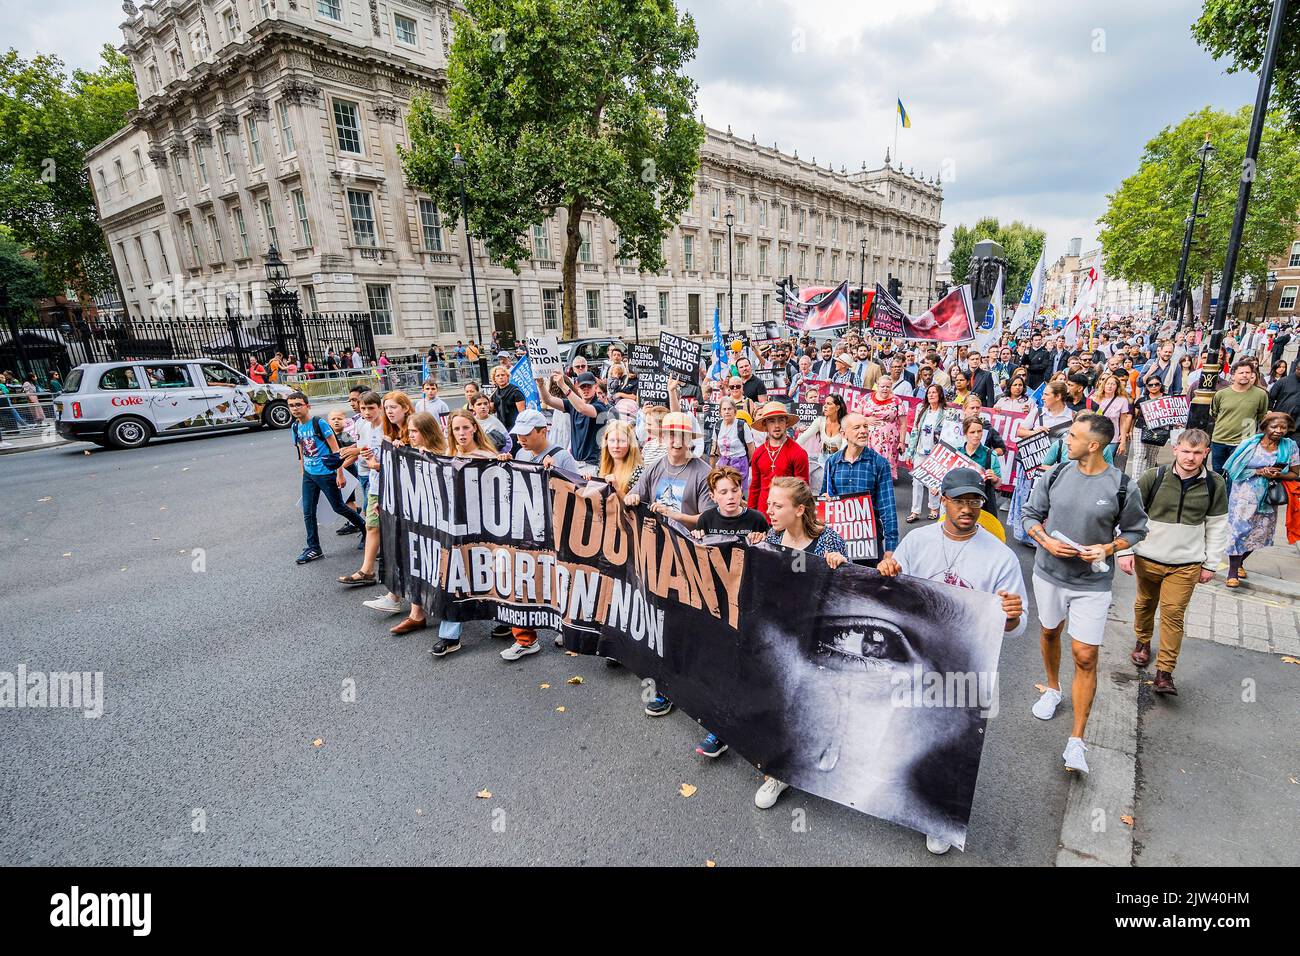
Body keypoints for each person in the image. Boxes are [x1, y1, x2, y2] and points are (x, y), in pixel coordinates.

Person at [877, 466, 1027, 854]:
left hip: (966, 662)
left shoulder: (1001, 557)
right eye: (959, 500)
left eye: (974, 501)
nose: (967, 508)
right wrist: (888, 571)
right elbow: (893, 595)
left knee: (952, 742)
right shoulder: (917, 540)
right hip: (916, 655)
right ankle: (900, 794)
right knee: (908, 725)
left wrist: (1012, 615)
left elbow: (1017, 626)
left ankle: (938, 817)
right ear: (942, 500)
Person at [1021, 412, 1149, 774]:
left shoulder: (1122, 485)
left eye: (1074, 436)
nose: (1067, 440)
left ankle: (1076, 741)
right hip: (1048, 574)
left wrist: (1108, 549)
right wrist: (1045, 540)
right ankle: (1052, 687)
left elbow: (1137, 530)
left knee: (1085, 655)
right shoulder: (1056, 474)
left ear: (1094, 445)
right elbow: (1030, 515)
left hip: (1092, 584)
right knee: (1049, 632)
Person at [748, 476, 849, 810]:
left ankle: (826, 747)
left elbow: (846, 593)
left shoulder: (828, 540)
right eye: (769, 504)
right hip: (782, 636)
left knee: (811, 703)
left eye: (778, 505)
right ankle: (779, 770)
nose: (769, 510)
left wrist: (839, 567)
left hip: (819, 638)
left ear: (800, 509)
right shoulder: (773, 538)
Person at [1118, 429, 1228, 696]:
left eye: (1197, 452)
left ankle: (1164, 673)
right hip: (1148, 558)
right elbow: (1128, 514)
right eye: (1186, 451)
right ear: (1176, 449)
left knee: (1173, 616)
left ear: (1206, 453)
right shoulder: (1153, 477)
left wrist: (1210, 564)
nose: (1191, 458)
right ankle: (1143, 642)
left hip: (1186, 563)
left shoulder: (1215, 484)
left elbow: (1217, 526)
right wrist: (1124, 551)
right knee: (1144, 604)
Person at [625, 412, 714, 716]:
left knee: (685, 623)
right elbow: (632, 496)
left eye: (683, 435)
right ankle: (664, 684)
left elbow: (707, 519)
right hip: (655, 554)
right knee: (659, 619)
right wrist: (633, 499)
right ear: (664, 437)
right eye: (671, 435)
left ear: (691, 440)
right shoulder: (654, 467)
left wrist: (675, 515)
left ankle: (687, 684)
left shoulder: (703, 472)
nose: (677, 441)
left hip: (689, 557)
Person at [494, 409, 581, 660]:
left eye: (527, 434)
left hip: (554, 531)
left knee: (558, 580)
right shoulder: (520, 453)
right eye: (519, 434)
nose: (521, 439)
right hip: (525, 529)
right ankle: (525, 638)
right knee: (522, 579)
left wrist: (555, 476)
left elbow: (576, 492)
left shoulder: (562, 457)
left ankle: (564, 627)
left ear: (543, 431)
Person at [430, 410, 502, 657]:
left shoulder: (486, 456)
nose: (461, 433)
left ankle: (505, 620)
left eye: (465, 428)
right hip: (457, 527)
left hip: (485, 526)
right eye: (456, 429)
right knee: (454, 575)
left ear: (474, 428)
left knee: (494, 571)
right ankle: (449, 636)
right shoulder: (448, 456)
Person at [388, 412, 450, 636]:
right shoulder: (410, 452)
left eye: (415, 431)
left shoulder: (445, 453)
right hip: (419, 520)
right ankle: (416, 614)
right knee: (418, 561)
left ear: (427, 432)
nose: (410, 435)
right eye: (410, 431)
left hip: (441, 522)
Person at [287, 391, 366, 565]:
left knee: (338, 507)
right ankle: (314, 547)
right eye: (292, 405)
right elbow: (301, 451)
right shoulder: (295, 427)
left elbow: (335, 449)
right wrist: (303, 473)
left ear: (307, 406)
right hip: (309, 475)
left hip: (326, 473)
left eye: (298, 404)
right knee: (308, 511)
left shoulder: (319, 423)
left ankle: (365, 528)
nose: (295, 408)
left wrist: (339, 473)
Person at [1222, 411, 1299, 586]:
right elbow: (1233, 470)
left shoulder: (1290, 446)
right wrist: (1258, 471)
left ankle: (1239, 561)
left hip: (1268, 497)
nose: (1279, 430)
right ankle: (1232, 573)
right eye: (1274, 426)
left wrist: (1278, 474)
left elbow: (1295, 473)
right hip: (1244, 494)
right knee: (1239, 531)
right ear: (1264, 427)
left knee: (1259, 533)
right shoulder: (1249, 444)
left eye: (1283, 427)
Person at [822, 413, 899, 559]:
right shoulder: (832, 462)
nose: (863, 431)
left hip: (869, 541)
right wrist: (825, 500)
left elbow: (887, 508)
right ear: (844, 434)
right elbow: (824, 498)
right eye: (857, 427)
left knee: (868, 581)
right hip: (838, 539)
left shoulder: (879, 463)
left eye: (865, 426)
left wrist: (891, 547)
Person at [747, 401, 810, 515]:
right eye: (772, 421)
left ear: (786, 423)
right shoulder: (758, 453)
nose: (777, 425)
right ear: (765, 425)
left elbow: (802, 490)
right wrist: (751, 516)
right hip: (763, 515)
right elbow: (755, 488)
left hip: (787, 516)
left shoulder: (798, 453)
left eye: (781, 420)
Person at [536, 370, 607, 469]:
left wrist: (563, 386)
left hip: (593, 463)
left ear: (595, 386)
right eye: (583, 386)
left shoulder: (600, 406)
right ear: (577, 387)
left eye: (589, 386)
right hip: (575, 462)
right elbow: (548, 400)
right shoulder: (572, 405)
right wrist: (541, 385)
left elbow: (582, 408)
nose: (586, 390)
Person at [1209, 360, 1270, 474]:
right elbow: (1214, 414)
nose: (1245, 375)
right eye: (1241, 372)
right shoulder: (1221, 394)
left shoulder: (1261, 394)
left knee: (1237, 475)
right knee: (1217, 475)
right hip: (1219, 440)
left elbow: (1262, 416)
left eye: (1248, 372)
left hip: (1244, 442)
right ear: (1233, 375)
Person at [903, 384, 951, 522]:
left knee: (934, 482)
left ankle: (934, 508)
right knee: (916, 481)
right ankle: (915, 511)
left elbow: (948, 434)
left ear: (940, 395)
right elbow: (915, 431)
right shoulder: (922, 410)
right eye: (929, 393)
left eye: (934, 392)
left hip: (935, 452)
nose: (931, 395)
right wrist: (910, 452)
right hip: (920, 450)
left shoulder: (946, 413)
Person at [712, 396, 756, 495]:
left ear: (734, 411)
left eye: (729, 409)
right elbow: (717, 448)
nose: (727, 411)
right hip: (724, 464)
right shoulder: (717, 426)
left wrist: (747, 464)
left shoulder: (742, 425)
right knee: (724, 491)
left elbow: (751, 448)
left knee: (738, 492)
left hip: (740, 464)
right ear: (720, 412)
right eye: (724, 409)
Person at [1090, 373, 1132, 459]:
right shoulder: (1094, 398)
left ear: (1117, 387)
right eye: (1108, 383)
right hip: (1095, 436)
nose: (1110, 386)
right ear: (1103, 385)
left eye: (1113, 384)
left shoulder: (1122, 400)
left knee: (1107, 463)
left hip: (1112, 437)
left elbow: (1123, 422)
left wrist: (1123, 441)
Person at [598, 419, 644, 496]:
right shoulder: (602, 467)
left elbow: (635, 507)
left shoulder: (639, 472)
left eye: (622, 441)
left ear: (630, 444)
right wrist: (588, 483)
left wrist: (617, 488)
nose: (616, 446)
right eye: (612, 440)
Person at [490, 364, 527, 431]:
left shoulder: (515, 392)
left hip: (515, 427)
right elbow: (492, 411)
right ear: (494, 379)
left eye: (503, 375)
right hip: (501, 427)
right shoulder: (494, 393)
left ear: (507, 376)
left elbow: (522, 414)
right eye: (498, 376)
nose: (501, 377)